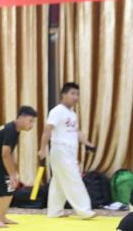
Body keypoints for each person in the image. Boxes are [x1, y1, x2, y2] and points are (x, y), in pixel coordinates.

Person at [38, 82, 97, 220]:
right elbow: (47, 130)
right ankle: (85, 210)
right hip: (60, 150)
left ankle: (54, 211)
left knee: (58, 182)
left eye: (77, 94)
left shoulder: (72, 114)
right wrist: (42, 148)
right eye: (72, 93)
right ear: (63, 95)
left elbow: (76, 132)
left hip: (70, 151)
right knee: (73, 178)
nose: (75, 97)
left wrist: (88, 144)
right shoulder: (57, 111)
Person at [0, 106, 38, 228]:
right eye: (30, 121)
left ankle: (1, 216)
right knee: (5, 188)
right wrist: (12, 174)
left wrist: (14, 173)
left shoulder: (14, 129)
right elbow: (5, 154)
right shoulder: (10, 130)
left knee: (10, 187)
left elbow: (8, 154)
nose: (32, 125)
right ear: (21, 118)